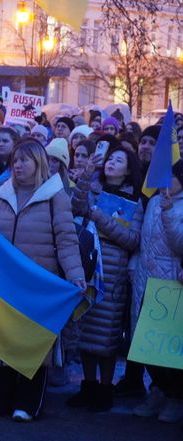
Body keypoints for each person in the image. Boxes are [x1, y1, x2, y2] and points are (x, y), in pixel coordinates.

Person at [0, 139, 86, 422]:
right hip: (2, 283)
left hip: (36, 285)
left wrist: (75, 274)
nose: (17, 165)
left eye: (24, 160)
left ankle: (27, 402)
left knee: (31, 342)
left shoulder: (55, 196)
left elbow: (66, 239)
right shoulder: (1, 193)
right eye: (15, 160)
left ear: (39, 164)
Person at [67, 144, 143, 412]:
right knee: (85, 327)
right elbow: (77, 206)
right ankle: (87, 386)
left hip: (113, 272)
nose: (111, 163)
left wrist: (99, 217)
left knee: (107, 334)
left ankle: (104, 389)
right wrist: (86, 176)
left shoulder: (135, 200)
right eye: (109, 159)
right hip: (87, 265)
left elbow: (132, 240)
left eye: (118, 160)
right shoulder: (94, 187)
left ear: (128, 168)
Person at [131, 160, 183, 423]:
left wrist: (169, 212)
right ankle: (158, 391)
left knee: (170, 348)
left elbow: (180, 244)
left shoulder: (174, 205)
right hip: (146, 280)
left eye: (170, 177)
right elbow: (143, 239)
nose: (164, 181)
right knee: (147, 345)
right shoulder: (153, 202)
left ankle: (176, 397)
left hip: (172, 285)